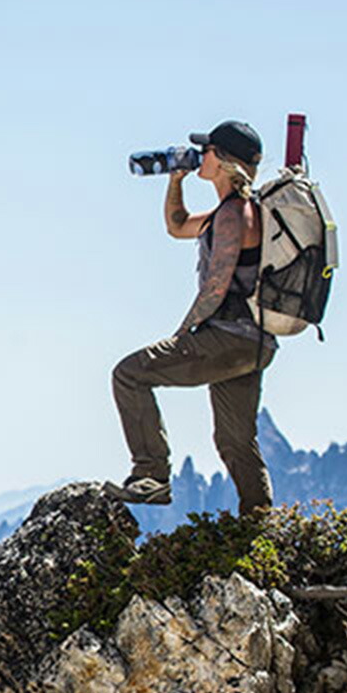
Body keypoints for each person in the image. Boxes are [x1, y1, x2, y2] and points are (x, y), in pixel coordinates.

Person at [108, 120, 276, 516]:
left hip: (229, 337)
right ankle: (260, 520)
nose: (203, 155)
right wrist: (175, 179)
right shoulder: (229, 211)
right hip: (253, 342)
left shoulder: (237, 215)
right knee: (235, 440)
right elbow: (177, 225)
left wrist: (183, 334)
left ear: (224, 161)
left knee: (130, 374)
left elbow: (215, 287)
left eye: (209, 151)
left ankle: (150, 475)